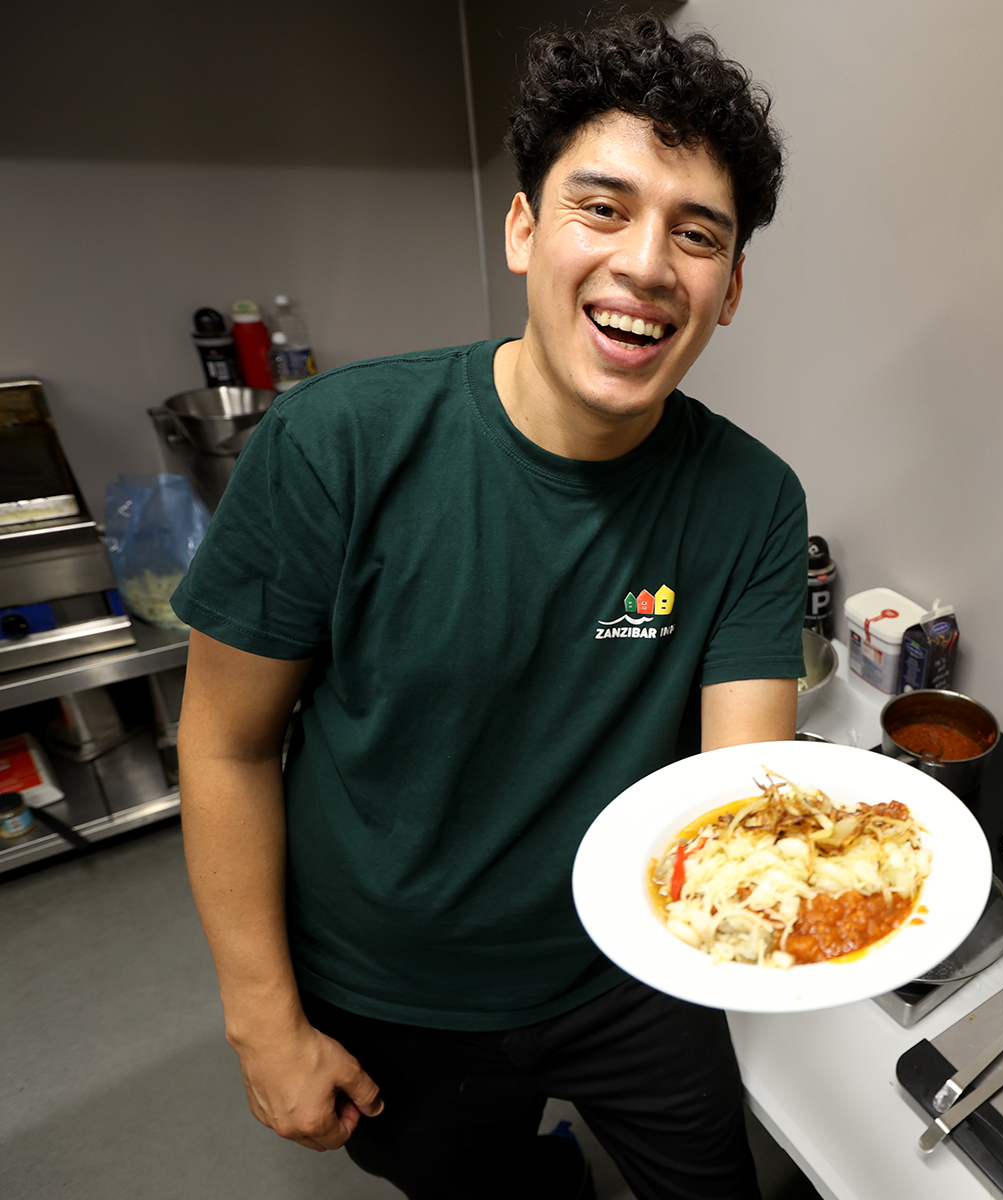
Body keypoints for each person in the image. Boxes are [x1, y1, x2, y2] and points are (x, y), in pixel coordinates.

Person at [173, 18, 799, 1200]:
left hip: (633, 974)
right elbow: (224, 743)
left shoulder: (752, 499)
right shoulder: (335, 447)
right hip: (392, 986)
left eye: (696, 234)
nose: (647, 264)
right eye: (601, 208)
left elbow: (736, 796)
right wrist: (264, 1023)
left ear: (728, 289)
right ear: (523, 229)